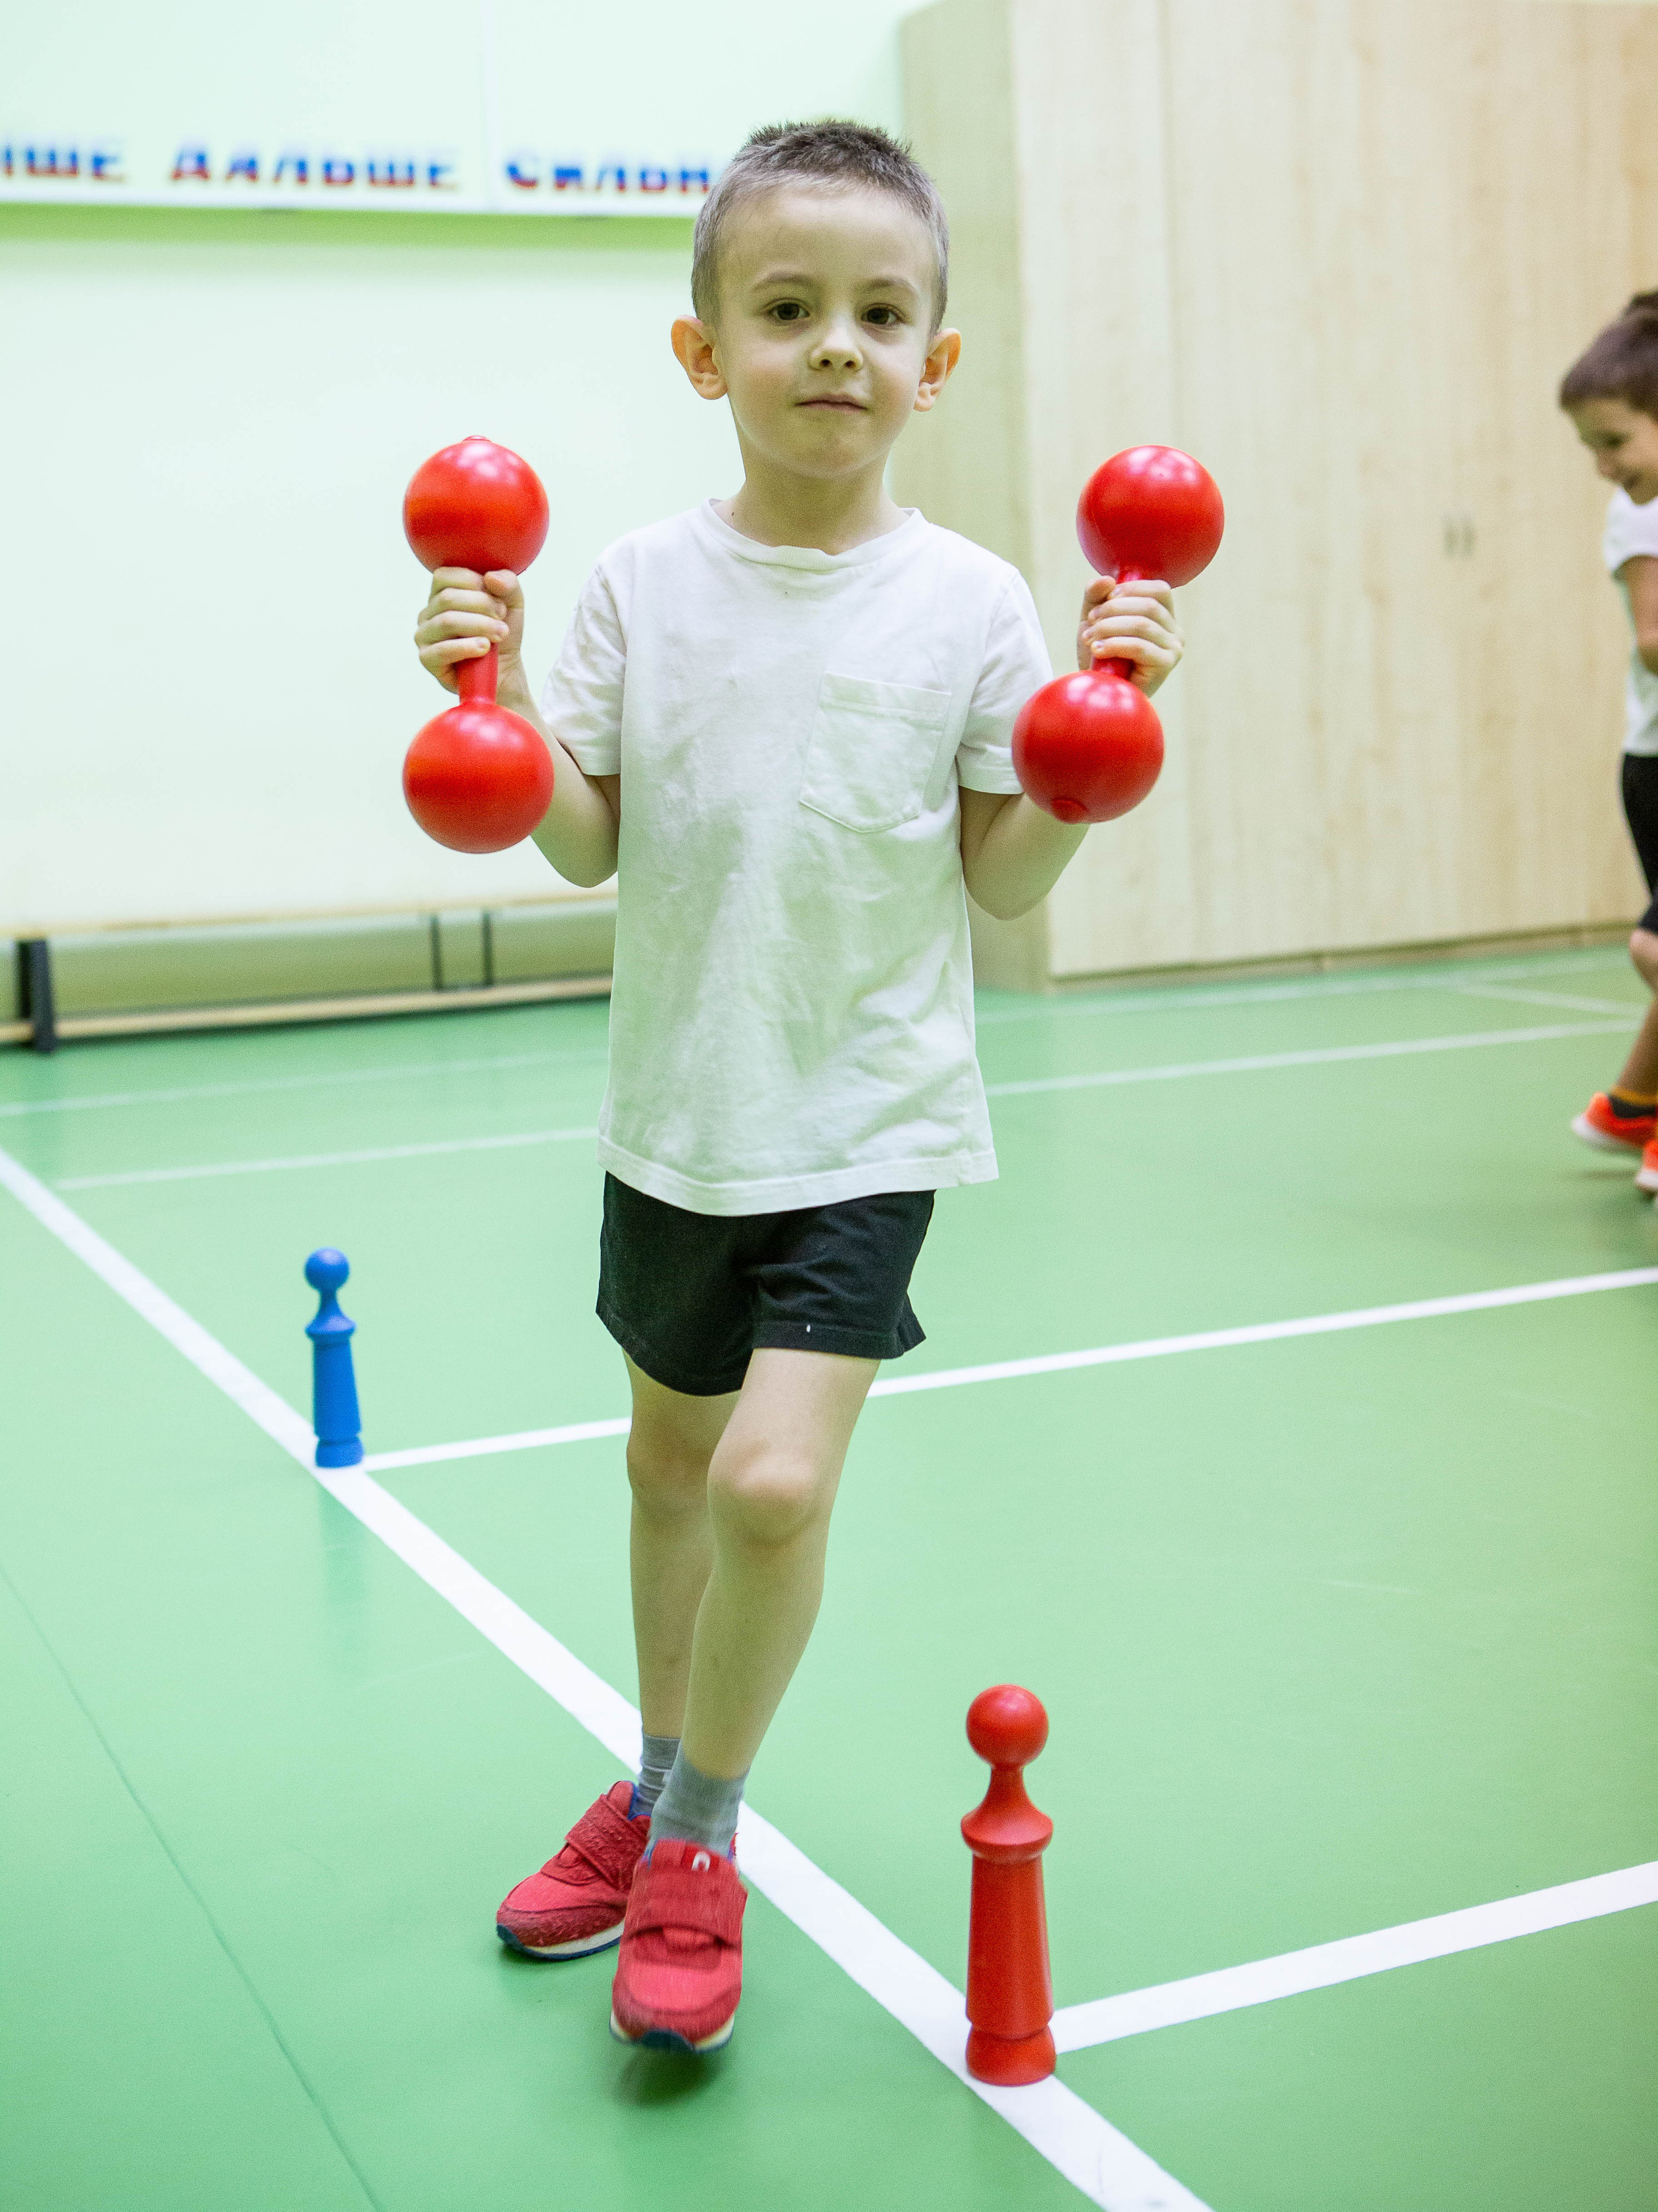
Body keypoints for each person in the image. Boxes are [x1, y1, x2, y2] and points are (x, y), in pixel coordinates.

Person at [413, 121, 1185, 2053]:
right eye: (786, 309)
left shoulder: (984, 602)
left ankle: (701, 1839)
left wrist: (1113, 723)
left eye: (880, 311)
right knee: (667, 1469)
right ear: (706, 354)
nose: (835, 344)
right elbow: (582, 846)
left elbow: (1002, 872)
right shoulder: (636, 582)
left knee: (768, 1482)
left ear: (937, 360)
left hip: (866, 1114)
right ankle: (658, 1772)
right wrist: (483, 689)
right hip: (680, 1111)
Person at [1560, 291, 1658, 1201]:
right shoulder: (1641, 512)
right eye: (1593, 444)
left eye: (1615, 441)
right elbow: (1655, 641)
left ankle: (1632, 1104)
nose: (1602, 464)